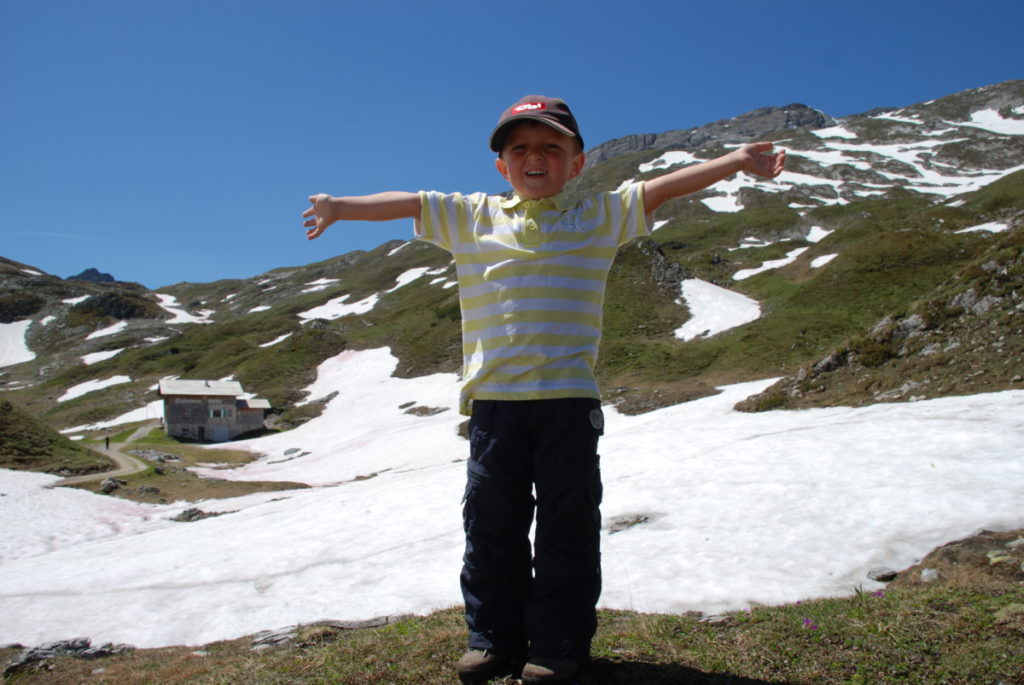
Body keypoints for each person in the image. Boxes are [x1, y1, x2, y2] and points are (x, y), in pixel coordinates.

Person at [302, 95, 785, 684]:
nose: (535, 157)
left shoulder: (599, 216)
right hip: (494, 409)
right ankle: (492, 641)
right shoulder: (471, 216)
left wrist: (736, 160)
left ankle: (558, 646)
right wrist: (339, 207)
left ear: (576, 164)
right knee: (491, 528)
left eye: (551, 147)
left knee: (567, 528)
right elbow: (408, 200)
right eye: (520, 148)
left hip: (567, 405)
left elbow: (661, 188)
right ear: (501, 165)